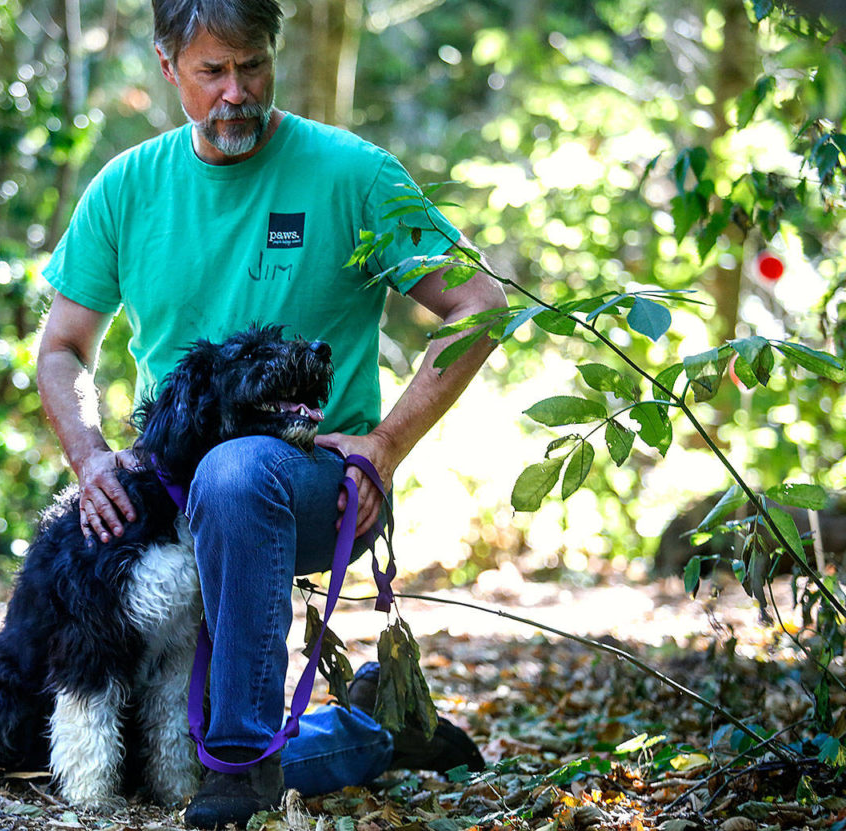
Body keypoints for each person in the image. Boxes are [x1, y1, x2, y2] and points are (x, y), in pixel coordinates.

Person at [36, 0, 506, 826]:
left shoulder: (351, 173)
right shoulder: (127, 189)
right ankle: (372, 733)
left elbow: (480, 302)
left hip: (315, 481)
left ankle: (243, 761)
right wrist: (89, 454)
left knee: (238, 469)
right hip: (170, 494)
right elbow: (62, 347)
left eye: (252, 66)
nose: (236, 93)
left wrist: (386, 443)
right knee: (153, 759)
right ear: (166, 65)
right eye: (212, 72)